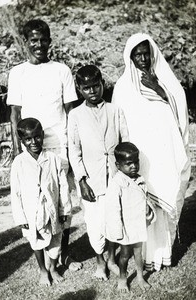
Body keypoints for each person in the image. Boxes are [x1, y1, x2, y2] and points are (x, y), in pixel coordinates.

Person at [7, 19, 82, 271]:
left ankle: (65, 255)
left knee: (63, 201)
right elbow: (15, 115)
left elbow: (71, 111)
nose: (39, 45)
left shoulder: (62, 70)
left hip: (59, 144)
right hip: (30, 147)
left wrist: (73, 147)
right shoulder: (18, 73)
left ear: (49, 41)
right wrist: (19, 151)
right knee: (36, 202)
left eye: (43, 39)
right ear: (26, 43)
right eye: (33, 40)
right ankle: (46, 257)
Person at [112, 33, 191, 271]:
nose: (143, 58)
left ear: (153, 52)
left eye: (146, 52)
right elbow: (119, 122)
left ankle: (162, 255)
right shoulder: (123, 87)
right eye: (137, 54)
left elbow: (179, 111)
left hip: (163, 154)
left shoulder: (167, 80)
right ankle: (142, 258)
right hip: (138, 157)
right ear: (130, 57)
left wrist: (157, 87)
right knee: (139, 203)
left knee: (162, 199)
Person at [68, 65, 129, 280]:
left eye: (96, 86)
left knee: (114, 219)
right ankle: (100, 261)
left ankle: (112, 258)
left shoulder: (115, 110)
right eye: (86, 88)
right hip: (91, 179)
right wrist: (82, 181)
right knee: (94, 224)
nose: (92, 91)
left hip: (114, 176)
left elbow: (124, 143)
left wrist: (124, 175)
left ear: (102, 83)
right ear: (79, 89)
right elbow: (74, 151)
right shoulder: (75, 115)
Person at [10, 118, 72, 286]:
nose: (33, 142)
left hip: (51, 208)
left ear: (43, 136)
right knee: (35, 239)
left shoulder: (53, 159)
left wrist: (64, 210)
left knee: (55, 238)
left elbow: (63, 185)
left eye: (37, 137)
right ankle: (43, 270)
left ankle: (52, 267)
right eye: (28, 139)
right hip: (32, 211)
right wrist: (21, 218)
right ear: (22, 141)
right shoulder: (19, 162)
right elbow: (15, 193)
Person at [105, 142, 156, 293]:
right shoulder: (116, 183)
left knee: (138, 253)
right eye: (129, 163)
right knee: (125, 255)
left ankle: (140, 277)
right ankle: (122, 278)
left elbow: (145, 200)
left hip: (138, 225)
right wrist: (117, 231)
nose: (133, 166)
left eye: (136, 162)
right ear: (118, 165)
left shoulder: (140, 179)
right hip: (125, 228)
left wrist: (148, 214)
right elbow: (113, 210)